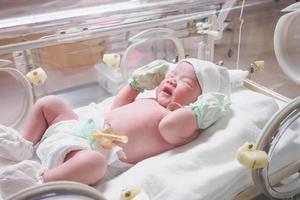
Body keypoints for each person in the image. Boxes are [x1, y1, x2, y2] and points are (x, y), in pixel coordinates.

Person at [0, 58, 231, 198]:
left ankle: (41, 180)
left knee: (94, 164)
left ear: (201, 101)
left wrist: (196, 113)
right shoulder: (150, 101)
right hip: (77, 129)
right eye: (171, 75)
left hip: (91, 153)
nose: (171, 80)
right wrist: (134, 86)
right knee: (50, 104)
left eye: (185, 82)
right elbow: (116, 108)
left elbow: (170, 127)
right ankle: (21, 144)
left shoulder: (179, 125)